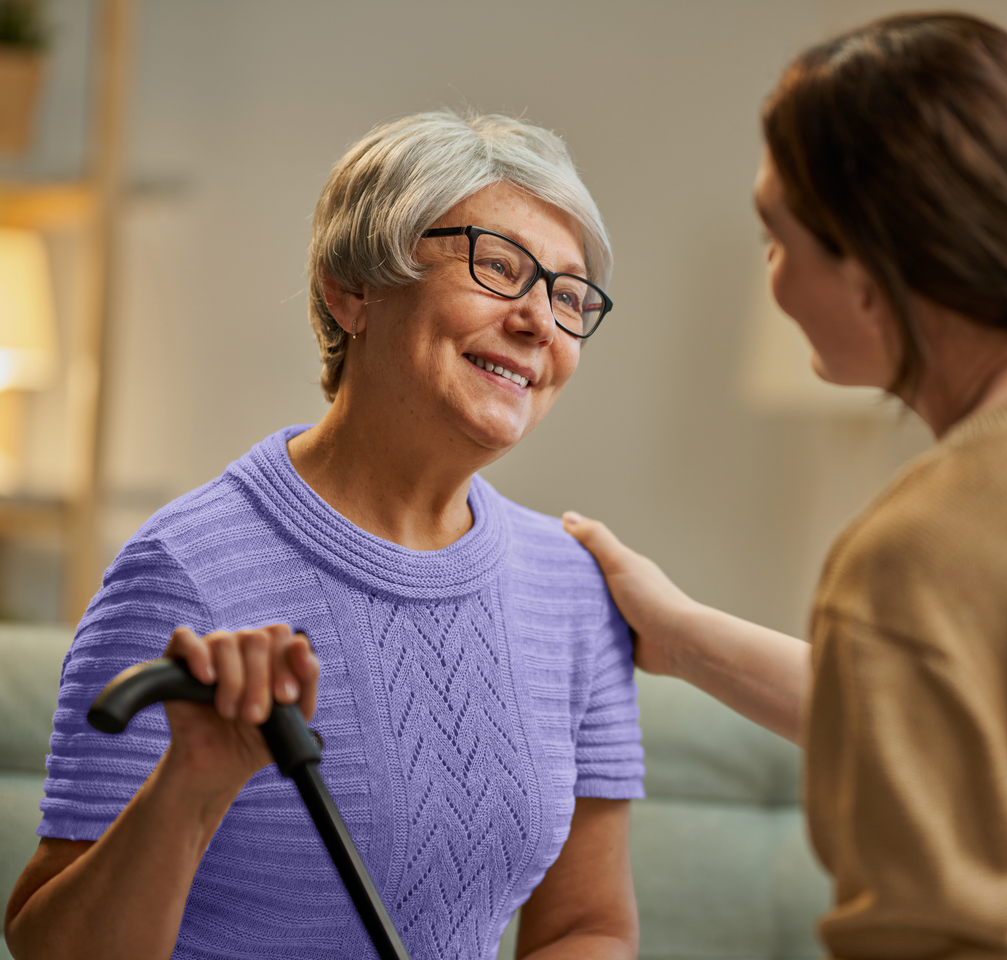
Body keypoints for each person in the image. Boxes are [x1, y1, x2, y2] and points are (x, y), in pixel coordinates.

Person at [562, 13, 1007, 960]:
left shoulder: (925, 546)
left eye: (775, 236)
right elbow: (970, 724)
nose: (769, 270)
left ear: (867, 278)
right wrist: (683, 638)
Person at [4, 111, 644, 960]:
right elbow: (51, 947)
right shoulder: (182, 569)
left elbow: (587, 927)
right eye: (498, 266)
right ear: (353, 288)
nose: (539, 322)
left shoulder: (573, 587)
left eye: (567, 296)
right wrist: (188, 789)